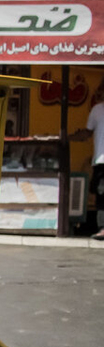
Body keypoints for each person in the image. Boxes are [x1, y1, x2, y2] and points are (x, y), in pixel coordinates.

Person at [71, 89, 104, 240]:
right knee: (101, 195)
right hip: (101, 161)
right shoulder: (97, 110)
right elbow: (87, 132)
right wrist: (69, 138)